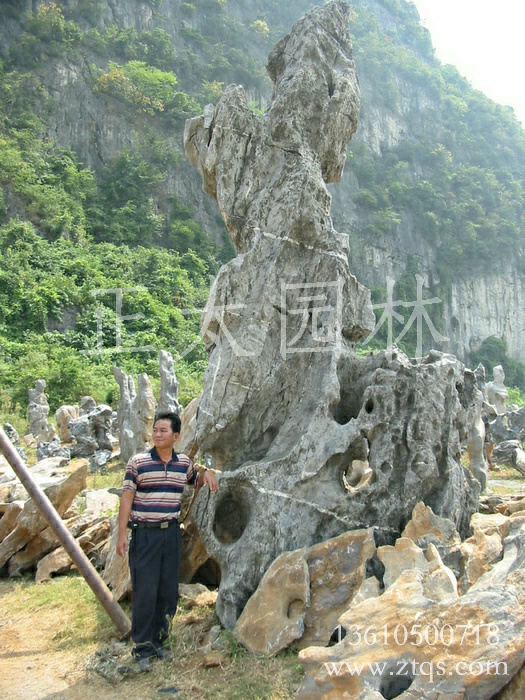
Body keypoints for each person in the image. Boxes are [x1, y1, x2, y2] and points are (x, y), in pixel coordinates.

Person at [116, 411, 219, 671]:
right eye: (155, 430)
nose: (157, 434)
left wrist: (208, 474)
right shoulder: (137, 462)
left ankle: (160, 641)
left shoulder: (182, 463)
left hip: (171, 533)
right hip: (145, 534)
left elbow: (196, 478)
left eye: (163, 431)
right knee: (145, 589)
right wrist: (120, 534)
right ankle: (142, 648)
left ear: (175, 436)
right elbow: (127, 498)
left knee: (166, 588)